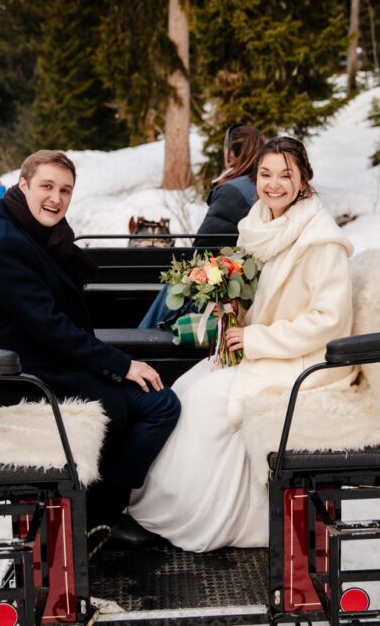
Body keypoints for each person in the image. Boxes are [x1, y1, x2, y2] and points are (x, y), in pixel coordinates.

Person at [130, 137, 357, 552]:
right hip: (268, 348)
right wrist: (233, 309)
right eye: (266, 175)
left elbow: (326, 321)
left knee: (207, 405)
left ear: (304, 179)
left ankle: (198, 517)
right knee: (186, 387)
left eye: (286, 175)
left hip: (306, 360)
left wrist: (254, 338)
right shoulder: (261, 224)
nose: (274, 185)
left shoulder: (320, 240)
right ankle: (163, 500)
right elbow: (268, 297)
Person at [0, 149, 180, 534]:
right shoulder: (6, 245)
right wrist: (123, 364)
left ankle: (103, 507)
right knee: (158, 406)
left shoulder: (14, 228)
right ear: (23, 185)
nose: (56, 198)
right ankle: (102, 513)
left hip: (40, 357)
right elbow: (52, 329)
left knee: (148, 395)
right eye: (46, 186)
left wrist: (114, 361)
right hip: (24, 375)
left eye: (65, 190)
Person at [138, 125, 263, 328]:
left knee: (175, 289)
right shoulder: (258, 188)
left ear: (230, 154)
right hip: (245, 279)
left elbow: (202, 250)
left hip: (228, 284)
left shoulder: (231, 192)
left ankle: (139, 344)